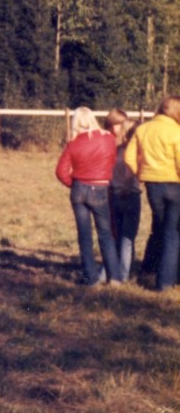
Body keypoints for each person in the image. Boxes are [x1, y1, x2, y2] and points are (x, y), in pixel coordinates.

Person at [55, 107, 121, 286]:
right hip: (99, 188)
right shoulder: (108, 139)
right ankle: (114, 277)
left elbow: (61, 171)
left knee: (84, 235)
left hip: (79, 190)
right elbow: (112, 162)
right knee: (106, 234)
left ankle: (90, 278)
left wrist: (74, 184)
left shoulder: (73, 143)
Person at [125, 95, 180, 291]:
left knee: (162, 226)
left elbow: (129, 157)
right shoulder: (176, 132)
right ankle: (166, 282)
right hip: (175, 185)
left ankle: (151, 270)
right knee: (172, 233)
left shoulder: (142, 129)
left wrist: (141, 174)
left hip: (152, 186)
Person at [105, 108, 141, 283]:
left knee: (116, 236)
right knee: (128, 239)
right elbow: (131, 172)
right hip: (130, 195)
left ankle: (108, 272)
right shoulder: (132, 152)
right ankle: (123, 275)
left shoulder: (114, 149)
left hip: (114, 194)